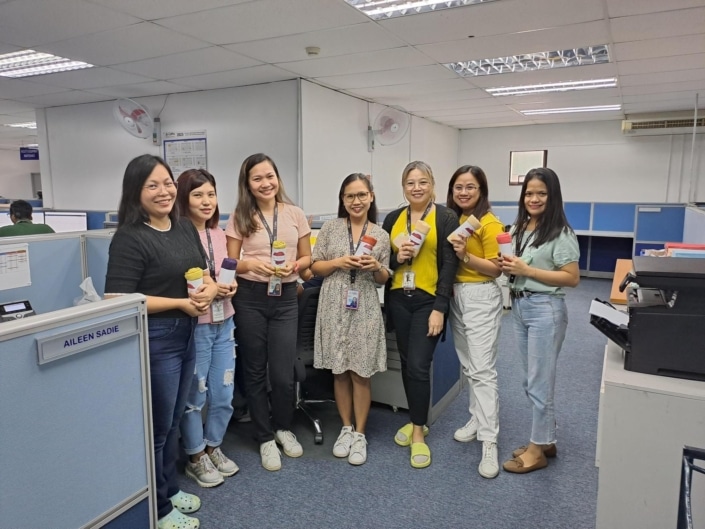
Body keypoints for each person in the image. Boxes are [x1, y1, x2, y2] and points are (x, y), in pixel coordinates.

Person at [105, 155, 218, 529]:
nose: (164, 191)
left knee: (172, 421)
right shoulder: (130, 237)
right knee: (157, 426)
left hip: (186, 332)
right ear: (136, 192)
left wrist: (208, 290)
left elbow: (202, 272)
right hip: (155, 338)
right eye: (152, 185)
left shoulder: (184, 226)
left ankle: (168, 489)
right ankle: (158, 507)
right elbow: (117, 298)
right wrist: (182, 303)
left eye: (167, 182)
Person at [225, 153, 312, 472]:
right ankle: (263, 436)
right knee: (255, 370)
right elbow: (230, 264)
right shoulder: (240, 216)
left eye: (269, 176)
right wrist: (251, 264)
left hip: (286, 296)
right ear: (247, 184)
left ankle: (283, 428)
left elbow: (307, 259)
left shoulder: (295, 214)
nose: (265, 183)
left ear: (278, 178)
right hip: (250, 297)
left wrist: (296, 265)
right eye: (257, 178)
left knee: (282, 371)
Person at [499, 167, 580, 474]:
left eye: (541, 193)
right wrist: (508, 266)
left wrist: (529, 271)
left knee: (539, 382)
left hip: (545, 309)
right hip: (520, 307)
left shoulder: (561, 232)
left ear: (552, 196)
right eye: (529, 193)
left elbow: (571, 278)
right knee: (531, 379)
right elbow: (518, 266)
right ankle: (545, 440)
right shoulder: (521, 227)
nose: (534, 198)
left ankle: (537, 451)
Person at [382, 161, 458, 469]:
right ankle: (418, 420)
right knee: (406, 363)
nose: (417, 188)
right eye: (411, 183)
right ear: (403, 187)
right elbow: (385, 263)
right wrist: (397, 258)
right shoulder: (392, 219)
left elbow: (450, 264)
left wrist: (441, 307)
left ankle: (417, 432)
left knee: (417, 365)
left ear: (432, 185)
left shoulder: (445, 217)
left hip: (429, 301)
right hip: (399, 299)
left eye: (423, 182)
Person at [310, 173, 390, 466]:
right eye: (349, 196)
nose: (355, 201)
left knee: (361, 371)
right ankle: (345, 427)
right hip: (333, 302)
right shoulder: (330, 229)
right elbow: (314, 267)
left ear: (371, 196)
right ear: (342, 200)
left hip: (364, 303)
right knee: (339, 370)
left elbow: (384, 279)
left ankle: (360, 433)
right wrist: (337, 263)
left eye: (361, 195)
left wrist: (376, 266)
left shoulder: (381, 234)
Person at [175, 169, 239, 488]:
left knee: (224, 391)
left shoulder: (219, 233)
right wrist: (210, 287)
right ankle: (195, 455)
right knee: (195, 396)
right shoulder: (177, 235)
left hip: (225, 319)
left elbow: (224, 272)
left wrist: (230, 286)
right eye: (198, 194)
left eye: (211, 194)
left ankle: (214, 446)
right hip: (196, 325)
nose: (207, 201)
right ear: (184, 198)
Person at [446, 165, 504, 479]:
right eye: (458, 187)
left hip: (481, 295)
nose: (464, 192)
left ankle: (489, 441)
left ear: (481, 191)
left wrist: (466, 256)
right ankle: (476, 419)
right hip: (457, 296)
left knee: (483, 371)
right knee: (469, 366)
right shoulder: (452, 219)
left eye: (470, 187)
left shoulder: (489, 223)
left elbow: (497, 269)